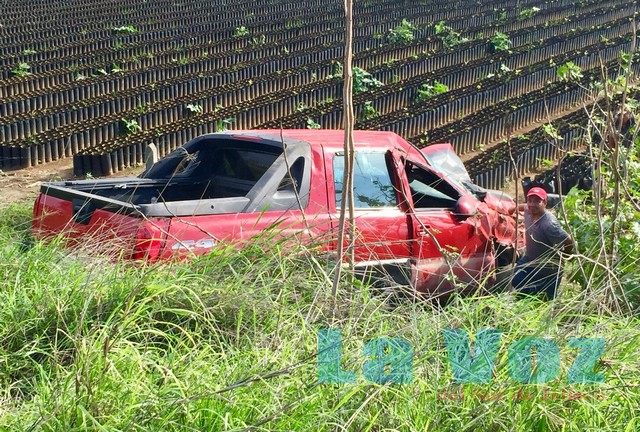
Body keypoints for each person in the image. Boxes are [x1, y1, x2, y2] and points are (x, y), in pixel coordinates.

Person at [512, 187, 574, 300]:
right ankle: (529, 299)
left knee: (547, 299)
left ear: (544, 202)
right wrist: (512, 209)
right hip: (531, 259)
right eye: (530, 200)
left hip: (549, 267)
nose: (532, 204)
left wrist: (566, 254)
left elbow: (568, 240)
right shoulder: (528, 210)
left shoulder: (548, 223)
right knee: (517, 279)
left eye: (537, 201)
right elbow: (522, 206)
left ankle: (535, 300)